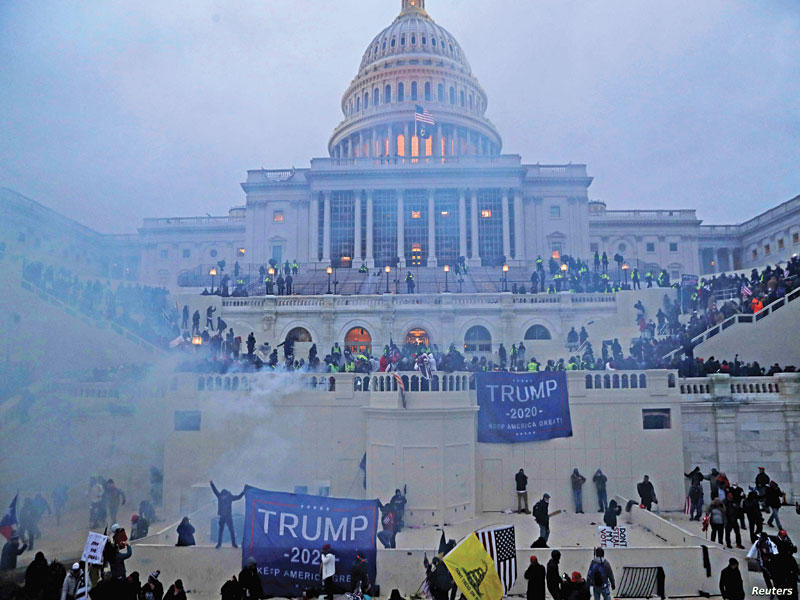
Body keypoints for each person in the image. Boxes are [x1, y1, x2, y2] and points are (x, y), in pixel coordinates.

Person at [210, 481, 245, 548]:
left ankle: (227, 544)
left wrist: (243, 492)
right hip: (225, 516)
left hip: (226, 516)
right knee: (226, 531)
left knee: (227, 531)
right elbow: (238, 497)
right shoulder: (227, 497)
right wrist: (212, 484)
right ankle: (225, 544)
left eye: (224, 496)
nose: (223, 497)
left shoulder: (222, 496)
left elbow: (238, 497)